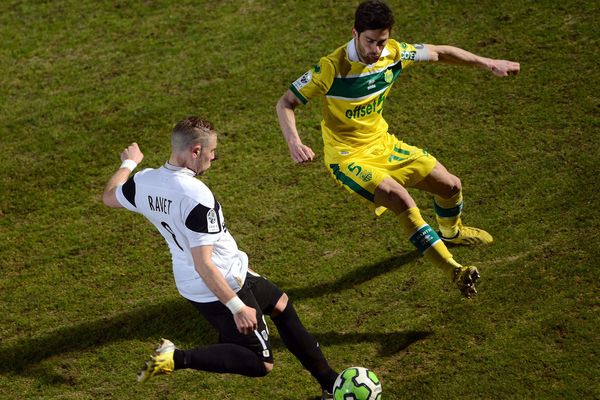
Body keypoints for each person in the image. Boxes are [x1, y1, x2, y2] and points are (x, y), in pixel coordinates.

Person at [276, 0, 520, 298]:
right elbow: (285, 102)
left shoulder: (394, 52)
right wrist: (294, 142)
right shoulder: (331, 68)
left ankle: (451, 232)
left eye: (381, 42)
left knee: (450, 185)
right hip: (347, 157)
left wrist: (489, 63)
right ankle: (455, 271)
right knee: (402, 200)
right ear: (354, 33)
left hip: (383, 144)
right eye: (369, 42)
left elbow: (440, 52)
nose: (375, 50)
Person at [102, 116, 338, 399]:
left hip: (205, 275)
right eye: (212, 151)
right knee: (261, 363)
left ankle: (330, 384)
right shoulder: (195, 196)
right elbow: (204, 263)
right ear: (195, 151)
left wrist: (129, 163)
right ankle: (176, 358)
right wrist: (237, 307)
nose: (215, 156)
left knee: (281, 305)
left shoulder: (145, 182)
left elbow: (109, 196)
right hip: (221, 281)